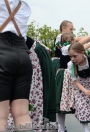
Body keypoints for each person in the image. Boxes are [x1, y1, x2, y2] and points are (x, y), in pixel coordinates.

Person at [0, 0, 33, 131]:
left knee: (1, 117)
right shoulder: (24, 6)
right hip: (23, 56)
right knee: (22, 114)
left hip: (1, 54)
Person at [67, 30, 90, 132]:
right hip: (80, 88)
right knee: (81, 106)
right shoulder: (71, 65)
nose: (72, 59)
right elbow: (76, 81)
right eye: (70, 56)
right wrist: (85, 91)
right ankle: (86, 129)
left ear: (82, 53)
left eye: (74, 56)